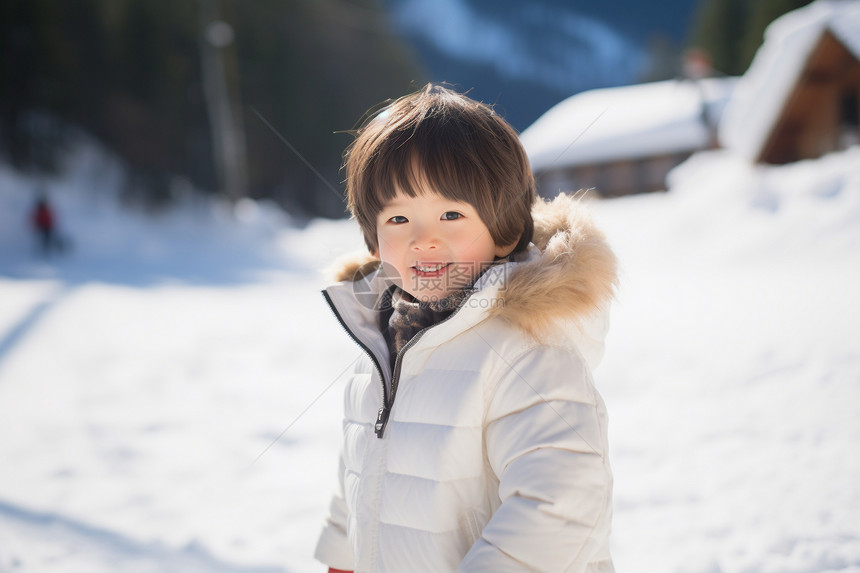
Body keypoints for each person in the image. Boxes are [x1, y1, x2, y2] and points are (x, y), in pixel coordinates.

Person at [314, 84, 618, 572]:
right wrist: (344, 557)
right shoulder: (384, 341)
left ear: (502, 232)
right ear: (373, 241)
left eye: (451, 214)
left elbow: (560, 502)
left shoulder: (528, 350)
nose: (423, 239)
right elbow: (363, 465)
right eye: (397, 217)